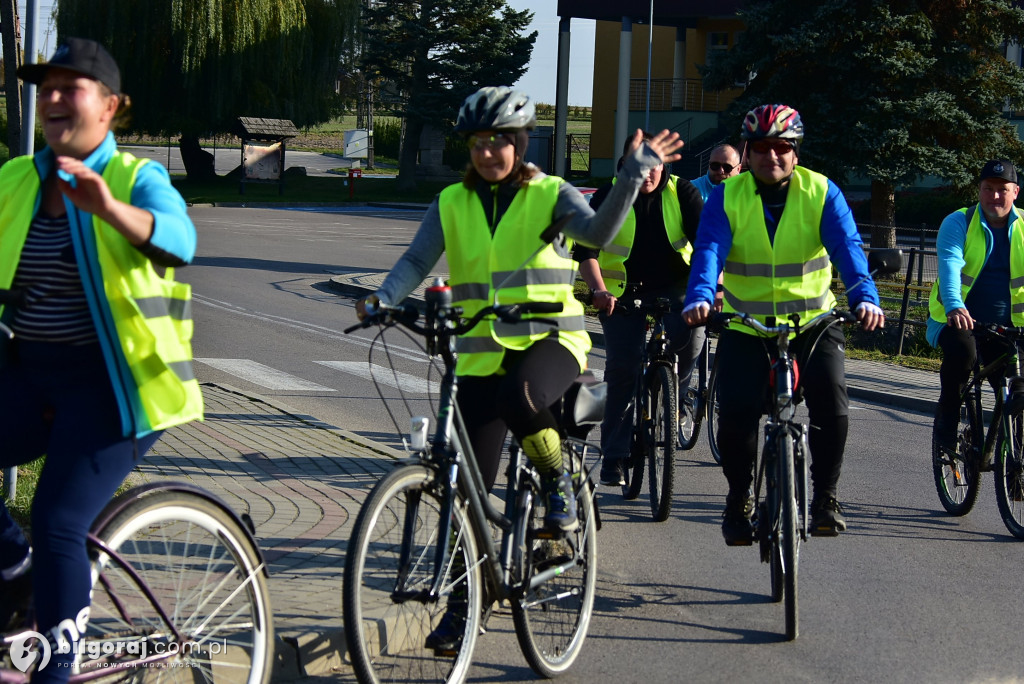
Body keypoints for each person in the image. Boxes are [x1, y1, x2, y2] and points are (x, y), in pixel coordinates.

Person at [356, 86, 682, 533]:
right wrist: (383, 299)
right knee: (469, 488)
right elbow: (416, 261)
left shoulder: (550, 194)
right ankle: (462, 596)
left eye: (498, 141)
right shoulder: (452, 201)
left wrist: (631, 174)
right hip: (481, 348)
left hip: (551, 338)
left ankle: (557, 481)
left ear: (519, 142)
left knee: (519, 397)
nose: (486, 152)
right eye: (477, 143)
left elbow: (599, 233)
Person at [0, 38, 201, 681]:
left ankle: (54, 672)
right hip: (30, 372)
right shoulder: (14, 179)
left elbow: (180, 239)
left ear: (110, 108)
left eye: (72, 87)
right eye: (47, 87)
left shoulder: (137, 179)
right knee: (36, 546)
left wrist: (110, 209)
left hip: (118, 389)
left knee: (59, 521)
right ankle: (15, 571)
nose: (54, 98)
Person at [682, 104, 884, 544]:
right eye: (760, 149)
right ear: (748, 153)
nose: (771, 157)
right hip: (747, 324)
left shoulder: (822, 192)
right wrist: (700, 296)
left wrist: (866, 298)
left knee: (832, 407)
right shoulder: (726, 196)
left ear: (794, 152)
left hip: (813, 321)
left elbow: (848, 250)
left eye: (781, 148)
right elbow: (709, 250)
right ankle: (739, 499)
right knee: (734, 415)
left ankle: (826, 498)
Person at [575, 132, 705, 487]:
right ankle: (614, 458)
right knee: (621, 368)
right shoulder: (608, 196)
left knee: (692, 340)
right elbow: (586, 254)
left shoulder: (684, 193)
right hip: (620, 292)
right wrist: (598, 290)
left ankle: (673, 397)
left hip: (676, 286)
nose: (648, 173)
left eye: (655, 165)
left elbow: (708, 245)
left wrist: (711, 291)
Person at [929, 160, 1024, 453]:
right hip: (957, 319)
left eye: (1002, 190)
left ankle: (1015, 463)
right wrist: (955, 306)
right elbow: (949, 266)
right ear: (979, 190)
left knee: (1018, 387)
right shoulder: (958, 222)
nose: (995, 196)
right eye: (988, 189)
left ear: (1016, 192)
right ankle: (948, 421)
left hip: (1007, 326)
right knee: (963, 353)